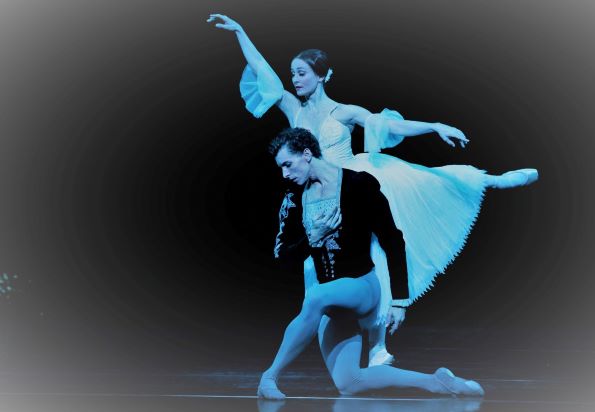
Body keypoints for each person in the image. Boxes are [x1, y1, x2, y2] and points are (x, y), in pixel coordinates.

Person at [207, 13, 539, 366]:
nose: (295, 79)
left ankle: (491, 180)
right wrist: (241, 32)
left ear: (321, 74)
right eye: (293, 74)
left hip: (353, 184)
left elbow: (389, 124)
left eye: (301, 73)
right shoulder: (292, 108)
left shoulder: (343, 112)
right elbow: (263, 72)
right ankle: (324, 332)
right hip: (319, 193)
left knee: (405, 209)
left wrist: (434, 125)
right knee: (314, 259)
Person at [260, 127, 484, 399]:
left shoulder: (359, 184)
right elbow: (283, 257)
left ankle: (269, 376)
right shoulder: (294, 198)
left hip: (362, 288)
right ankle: (438, 382)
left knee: (316, 296)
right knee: (350, 382)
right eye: (281, 168)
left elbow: (393, 240)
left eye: (288, 164)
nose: (285, 173)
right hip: (330, 301)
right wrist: (313, 238)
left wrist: (400, 299)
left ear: (306, 154)